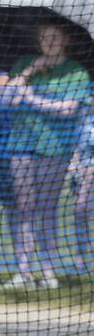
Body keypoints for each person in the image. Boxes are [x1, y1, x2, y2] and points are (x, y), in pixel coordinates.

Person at [1, 19, 91, 290]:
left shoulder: (76, 72)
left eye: (54, 37)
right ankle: (24, 270)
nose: (49, 42)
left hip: (55, 148)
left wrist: (32, 100)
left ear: (65, 40)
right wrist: (29, 72)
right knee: (24, 206)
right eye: (44, 38)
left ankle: (48, 268)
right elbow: (6, 98)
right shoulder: (24, 64)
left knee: (47, 207)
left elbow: (69, 109)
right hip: (21, 145)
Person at [71, 110, 94, 274]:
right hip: (81, 167)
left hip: (89, 168)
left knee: (81, 207)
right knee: (80, 211)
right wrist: (74, 163)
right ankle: (81, 260)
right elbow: (75, 142)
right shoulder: (83, 114)